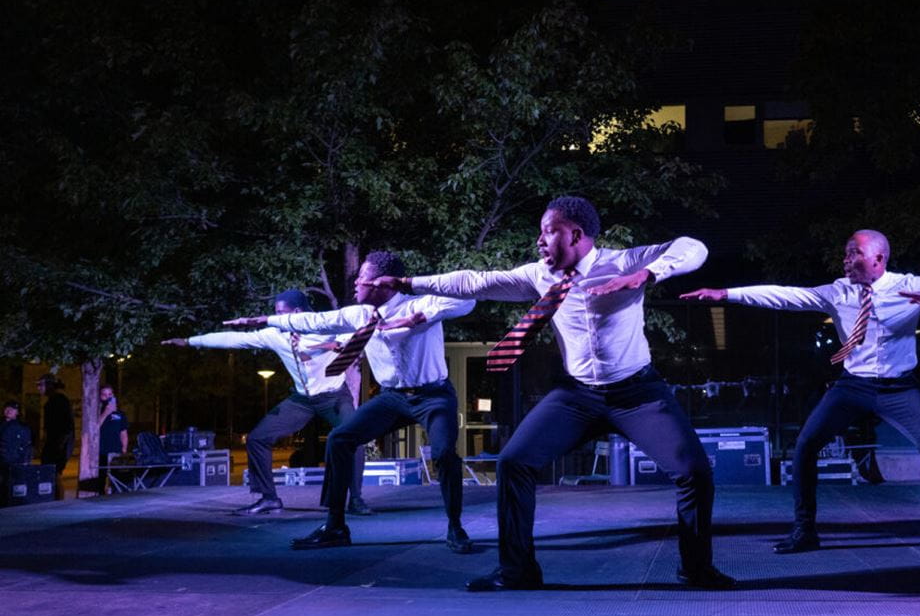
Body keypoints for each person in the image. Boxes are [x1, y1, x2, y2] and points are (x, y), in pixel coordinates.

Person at [368, 196, 735, 591]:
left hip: (637, 393)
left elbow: (693, 247)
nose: (540, 241)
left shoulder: (625, 261)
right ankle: (517, 571)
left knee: (695, 473)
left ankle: (695, 568)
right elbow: (476, 281)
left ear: (575, 234)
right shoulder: (538, 275)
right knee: (514, 462)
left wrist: (647, 275)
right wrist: (407, 283)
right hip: (578, 395)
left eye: (548, 231)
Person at [682, 229, 920, 556]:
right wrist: (726, 294)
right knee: (806, 446)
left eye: (854, 254)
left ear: (878, 259)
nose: (846, 260)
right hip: (853, 385)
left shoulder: (906, 286)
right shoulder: (837, 292)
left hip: (899, 388)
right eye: (846, 253)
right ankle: (805, 529)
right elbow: (785, 295)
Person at [223, 254, 476, 551]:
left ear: (382, 283)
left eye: (362, 278)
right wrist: (265, 320)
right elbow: (315, 321)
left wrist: (419, 317)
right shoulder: (359, 315)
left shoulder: (418, 304)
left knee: (445, 454)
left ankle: (455, 528)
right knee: (340, 439)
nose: (355, 283)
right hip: (392, 397)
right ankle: (335, 526)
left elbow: (467, 301)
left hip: (432, 395)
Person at [164, 290, 371, 516]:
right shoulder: (276, 335)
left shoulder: (324, 327)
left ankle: (356, 499)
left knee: (354, 437)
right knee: (257, 439)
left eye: (281, 313)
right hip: (301, 399)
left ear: (297, 312)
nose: (276, 317)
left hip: (333, 396)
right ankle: (269, 498)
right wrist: (189, 341)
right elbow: (235, 339)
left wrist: (337, 345)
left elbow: (351, 333)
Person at [35, 374, 74, 499]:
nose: (38, 388)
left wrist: (59, 446)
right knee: (50, 473)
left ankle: (58, 501)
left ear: (49, 385)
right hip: (53, 444)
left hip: (58, 445)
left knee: (54, 473)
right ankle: (54, 499)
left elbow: (66, 426)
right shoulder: (52, 401)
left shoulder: (60, 400)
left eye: (40, 385)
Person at [95, 385, 129, 493]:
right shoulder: (97, 412)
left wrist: (124, 449)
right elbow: (94, 429)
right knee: (101, 479)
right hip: (101, 451)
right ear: (100, 397)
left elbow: (123, 433)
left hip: (116, 451)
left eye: (110, 394)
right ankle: (100, 497)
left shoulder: (120, 414)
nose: (108, 397)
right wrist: (106, 413)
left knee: (116, 479)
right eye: (104, 395)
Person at [0, 400, 32, 503]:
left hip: (14, 464)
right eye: (7, 408)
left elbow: (27, 446)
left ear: (17, 412)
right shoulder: (1, 425)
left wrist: (26, 461)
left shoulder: (23, 427)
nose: (9, 410)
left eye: (13, 409)